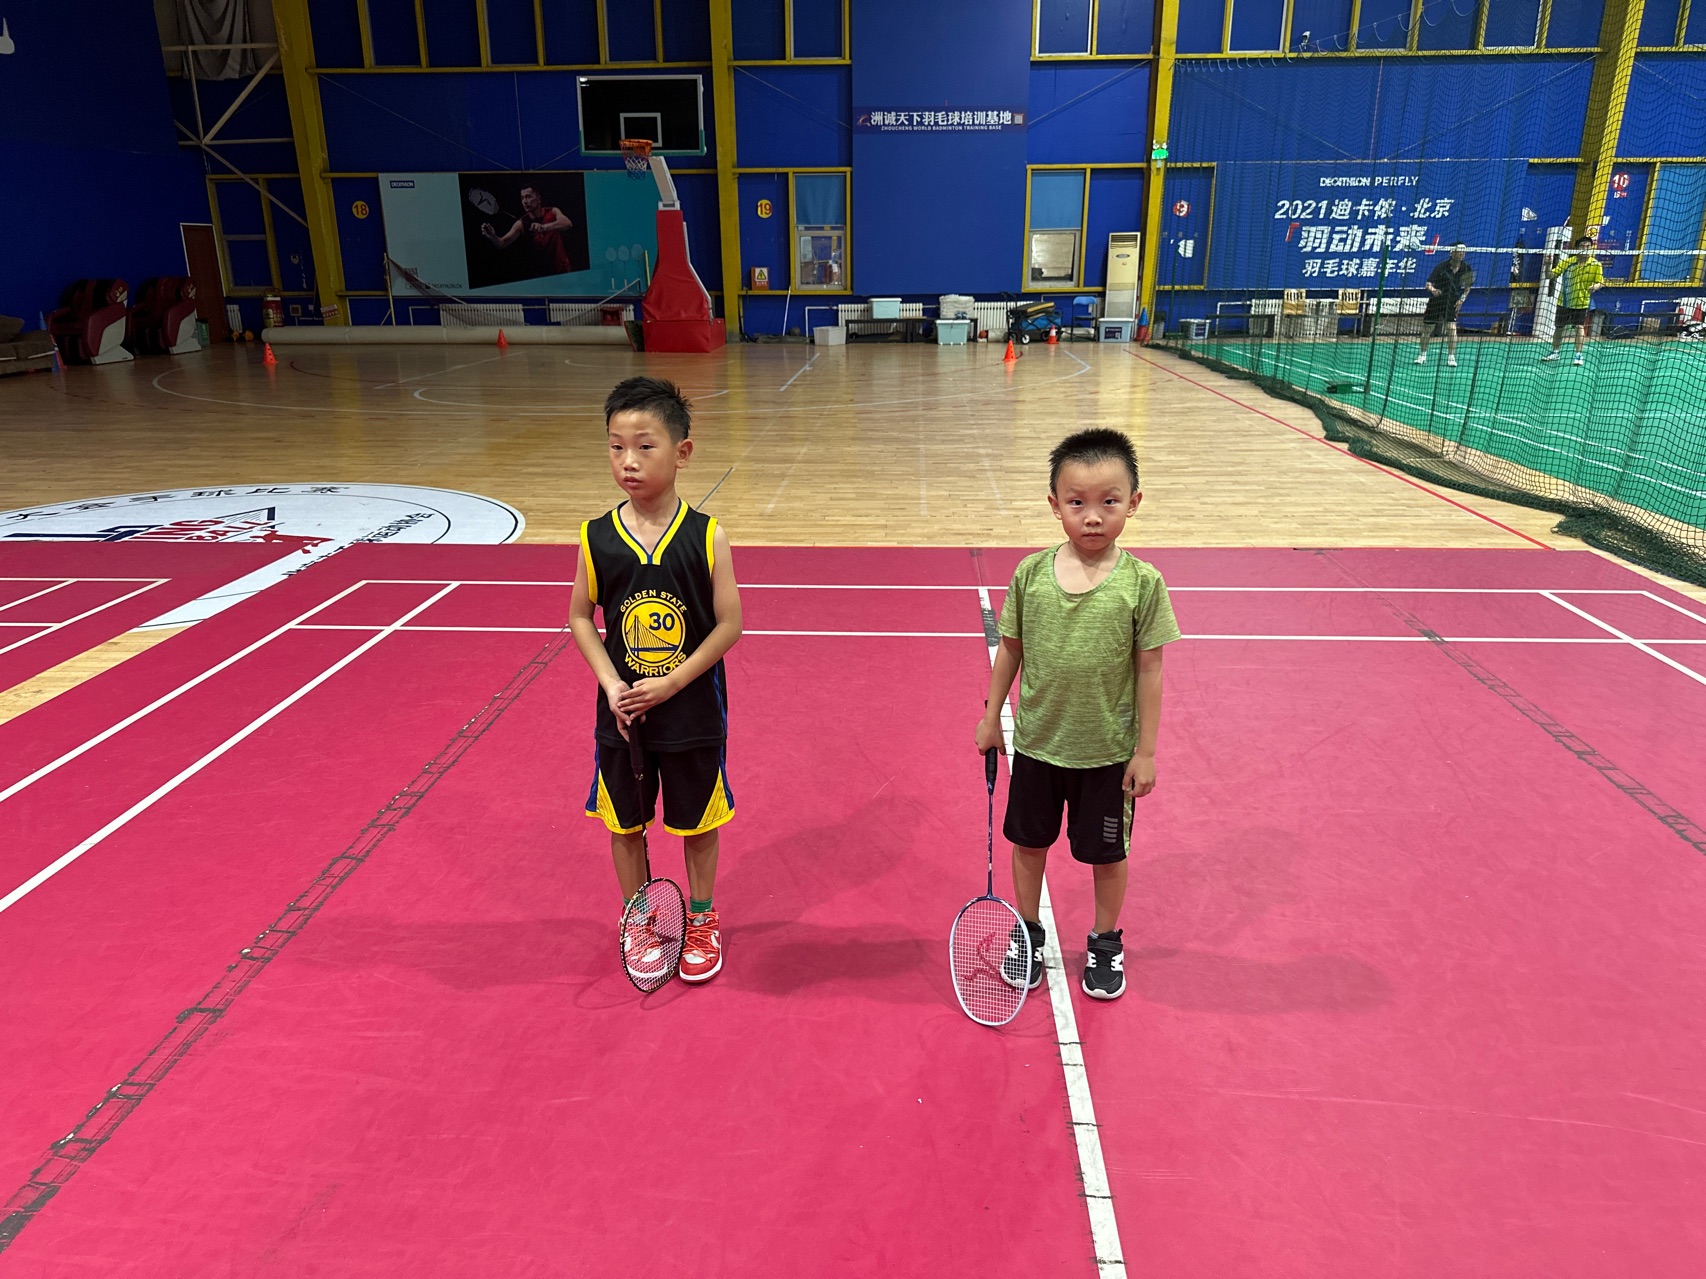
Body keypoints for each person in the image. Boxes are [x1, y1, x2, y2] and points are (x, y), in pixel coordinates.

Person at [972, 429, 1181, 1001]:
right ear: (1054, 504)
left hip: (1107, 755)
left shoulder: (1143, 584)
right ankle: (1027, 934)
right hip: (1038, 746)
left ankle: (1105, 942)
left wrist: (1145, 752)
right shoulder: (1030, 574)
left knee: (1106, 855)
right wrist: (991, 717)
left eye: (1109, 501)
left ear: (1133, 503)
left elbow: (1150, 670)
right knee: (1028, 845)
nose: (1092, 516)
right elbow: (1010, 649)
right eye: (1077, 502)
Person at [567, 377, 742, 983]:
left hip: (692, 711)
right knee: (625, 822)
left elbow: (729, 625)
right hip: (623, 715)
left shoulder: (707, 536)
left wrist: (671, 684)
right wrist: (611, 683)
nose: (629, 461)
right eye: (616, 447)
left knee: (699, 821)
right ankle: (638, 917)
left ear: (682, 452)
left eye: (644, 446)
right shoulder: (596, 537)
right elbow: (579, 617)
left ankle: (701, 916)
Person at [481, 185, 575, 275]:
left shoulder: (552, 212)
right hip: (541, 275)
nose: (525, 201)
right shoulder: (521, 223)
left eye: (528, 197)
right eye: (522, 198)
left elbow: (568, 223)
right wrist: (492, 236)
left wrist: (544, 227)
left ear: (539, 199)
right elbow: (502, 243)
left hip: (563, 271)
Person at [1543, 236, 1604, 366]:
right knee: (1559, 327)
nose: (1585, 249)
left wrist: (1595, 287)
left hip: (1581, 302)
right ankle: (1555, 352)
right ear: (1577, 248)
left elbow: (1600, 282)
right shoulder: (1568, 262)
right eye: (1582, 246)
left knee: (1579, 327)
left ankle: (1578, 355)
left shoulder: (1596, 265)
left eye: (1588, 246)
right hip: (1564, 301)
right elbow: (1550, 275)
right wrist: (1548, 265)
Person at [1415, 242, 1474, 366]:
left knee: (1451, 329)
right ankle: (1422, 355)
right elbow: (1428, 284)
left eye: (1463, 251)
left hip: (1452, 302)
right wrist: (1433, 290)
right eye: (1459, 251)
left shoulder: (1466, 268)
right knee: (1428, 329)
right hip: (1436, 301)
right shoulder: (1441, 267)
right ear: (1452, 252)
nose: (1462, 254)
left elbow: (1468, 287)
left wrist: (1462, 300)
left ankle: (1451, 357)